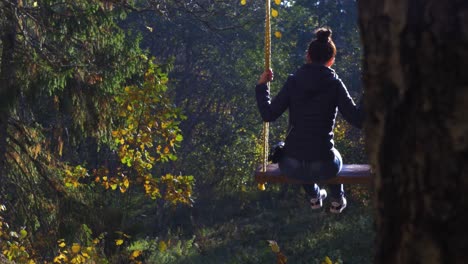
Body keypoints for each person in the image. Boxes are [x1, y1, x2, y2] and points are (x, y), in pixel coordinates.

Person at [255, 27, 363, 213]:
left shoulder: (293, 81)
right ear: (331, 61)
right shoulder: (335, 84)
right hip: (324, 165)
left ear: (308, 56)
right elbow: (357, 119)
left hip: (291, 165)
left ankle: (314, 196)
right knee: (332, 155)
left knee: (297, 150)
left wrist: (262, 86)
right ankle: (337, 199)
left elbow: (269, 115)